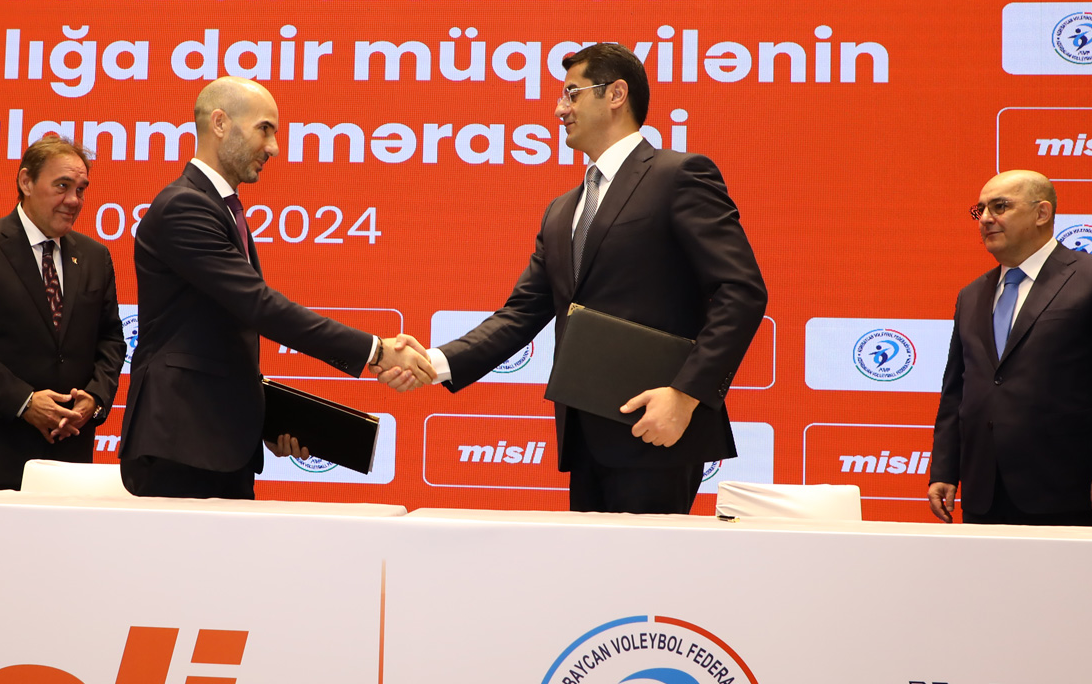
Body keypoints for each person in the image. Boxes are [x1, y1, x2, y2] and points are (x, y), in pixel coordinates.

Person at [397, 43, 767, 514]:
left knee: (645, 565)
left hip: (657, 428)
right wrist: (433, 362)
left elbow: (741, 291)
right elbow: (520, 314)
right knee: (591, 564)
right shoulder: (562, 210)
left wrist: (686, 394)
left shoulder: (679, 175)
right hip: (585, 436)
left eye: (571, 93)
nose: (559, 109)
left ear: (616, 94)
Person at [118, 76, 431, 499]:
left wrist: (259, 420)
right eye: (264, 129)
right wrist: (375, 351)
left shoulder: (220, 208)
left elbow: (218, 334)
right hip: (180, 443)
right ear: (220, 123)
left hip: (219, 443)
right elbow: (261, 307)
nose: (274, 148)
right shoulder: (185, 206)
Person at [928, 170, 1092, 527]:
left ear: (1041, 213)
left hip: (1067, 490)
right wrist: (944, 469)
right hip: (983, 492)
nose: (985, 219)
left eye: (1000, 207)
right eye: (980, 210)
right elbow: (957, 390)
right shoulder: (971, 295)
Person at [0, 136, 127, 489]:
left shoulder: (95, 256)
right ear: (26, 182)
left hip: (70, 457)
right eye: (62, 186)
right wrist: (24, 402)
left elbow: (111, 339)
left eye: (81, 189)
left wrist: (95, 398)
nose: (74, 200)